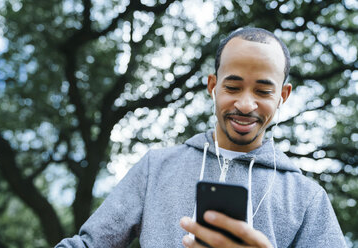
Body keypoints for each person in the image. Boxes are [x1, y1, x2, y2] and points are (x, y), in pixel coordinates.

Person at [55, 27, 347, 248]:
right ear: (213, 86)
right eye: (233, 87)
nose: (246, 105)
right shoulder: (156, 167)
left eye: (262, 91)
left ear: (283, 95)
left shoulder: (308, 198)